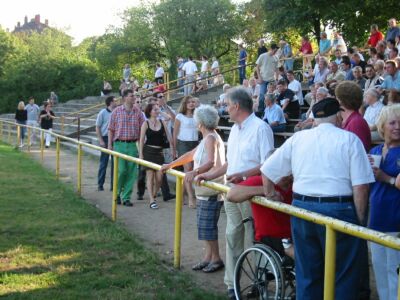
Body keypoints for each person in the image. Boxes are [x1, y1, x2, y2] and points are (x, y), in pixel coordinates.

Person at [261, 97, 375, 300]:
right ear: (338, 116)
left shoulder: (299, 139)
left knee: (308, 273)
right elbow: (361, 188)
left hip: (302, 208)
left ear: (315, 119)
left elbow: (267, 170)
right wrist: (359, 222)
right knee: (343, 274)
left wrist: (271, 193)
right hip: (338, 210)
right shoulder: (349, 139)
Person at [194, 87, 274, 300]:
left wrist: (243, 175)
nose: (225, 109)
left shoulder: (260, 128)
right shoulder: (235, 130)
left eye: (227, 105)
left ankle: (260, 283)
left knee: (253, 238)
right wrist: (209, 176)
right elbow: (230, 164)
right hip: (231, 192)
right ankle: (232, 284)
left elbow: (268, 165)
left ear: (237, 106)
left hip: (251, 192)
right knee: (232, 236)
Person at [161, 105, 226, 273]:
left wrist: (195, 171)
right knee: (203, 226)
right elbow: (190, 154)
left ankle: (216, 259)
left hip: (211, 189)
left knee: (207, 227)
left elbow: (211, 162)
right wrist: (171, 165)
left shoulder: (211, 138)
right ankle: (208, 257)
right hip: (204, 191)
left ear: (201, 123)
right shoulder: (207, 138)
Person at [368, 104, 400, 300]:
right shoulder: (376, 150)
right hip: (377, 220)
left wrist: (385, 177)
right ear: (382, 126)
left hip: (396, 221)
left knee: (395, 274)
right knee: (381, 274)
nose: (397, 127)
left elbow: (387, 180)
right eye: (393, 122)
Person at [108, 89, 145, 207]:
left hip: (133, 145)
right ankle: (117, 194)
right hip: (119, 144)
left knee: (131, 173)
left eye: (134, 96)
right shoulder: (116, 111)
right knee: (121, 171)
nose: (134, 97)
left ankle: (126, 197)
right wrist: (109, 145)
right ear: (124, 98)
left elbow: (142, 130)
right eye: (131, 96)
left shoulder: (138, 112)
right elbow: (110, 129)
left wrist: (141, 149)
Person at [139, 103, 173, 209]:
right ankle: (151, 200)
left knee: (159, 178)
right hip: (148, 151)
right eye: (154, 109)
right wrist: (141, 154)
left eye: (157, 109)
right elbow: (141, 140)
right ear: (149, 111)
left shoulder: (162, 121)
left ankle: (153, 194)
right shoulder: (146, 123)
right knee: (150, 176)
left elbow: (169, 118)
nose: (157, 111)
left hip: (159, 153)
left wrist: (172, 148)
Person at [173, 96, 199, 208]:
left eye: (193, 102)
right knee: (188, 169)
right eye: (189, 102)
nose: (191, 104)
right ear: (185, 104)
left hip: (194, 143)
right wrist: (174, 148)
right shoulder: (179, 116)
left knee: (189, 171)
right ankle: (191, 197)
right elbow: (175, 133)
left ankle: (180, 195)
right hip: (183, 143)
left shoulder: (197, 115)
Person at [336, 81, 371, 151]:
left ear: (340, 101)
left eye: (336, 97)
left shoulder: (356, 122)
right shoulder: (348, 121)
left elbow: (358, 152)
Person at [96, 96, 116, 191]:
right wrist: (101, 140)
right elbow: (98, 127)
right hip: (105, 138)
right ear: (111, 102)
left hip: (115, 139)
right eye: (115, 100)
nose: (116, 101)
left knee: (114, 164)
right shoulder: (102, 113)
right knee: (103, 162)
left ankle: (113, 185)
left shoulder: (117, 112)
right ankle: (100, 184)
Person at [256, 43, 279, 113]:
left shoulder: (276, 57)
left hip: (271, 80)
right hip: (263, 79)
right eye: (274, 50)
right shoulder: (262, 56)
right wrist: (259, 77)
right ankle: (260, 111)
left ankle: (271, 111)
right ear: (271, 49)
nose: (275, 52)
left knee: (271, 96)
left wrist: (277, 79)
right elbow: (257, 67)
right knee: (262, 96)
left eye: (276, 51)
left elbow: (277, 69)